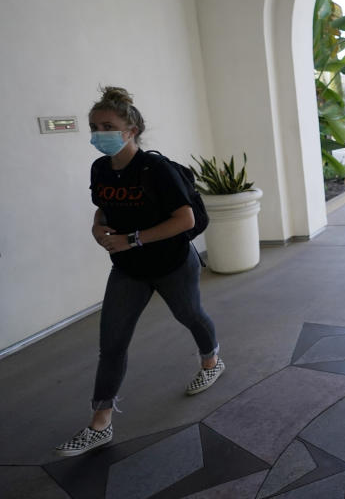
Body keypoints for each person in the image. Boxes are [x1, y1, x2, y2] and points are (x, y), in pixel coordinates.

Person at [55, 86, 224, 457]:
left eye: (108, 126)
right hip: (128, 270)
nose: (99, 134)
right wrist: (98, 228)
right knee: (112, 343)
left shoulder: (155, 168)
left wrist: (133, 239)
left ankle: (211, 357)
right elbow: (103, 209)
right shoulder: (100, 168)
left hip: (172, 264)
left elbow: (186, 218)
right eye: (94, 126)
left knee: (190, 314)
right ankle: (100, 422)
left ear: (130, 129)